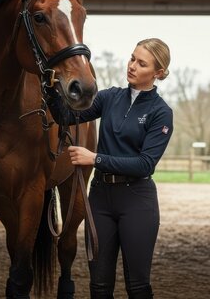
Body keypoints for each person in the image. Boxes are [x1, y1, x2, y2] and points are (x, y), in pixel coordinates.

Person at [46, 38, 173, 299]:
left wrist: (95, 159)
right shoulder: (109, 97)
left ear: (158, 73)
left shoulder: (161, 112)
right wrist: (50, 88)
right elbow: (67, 117)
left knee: (137, 287)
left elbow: (145, 164)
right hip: (101, 198)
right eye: (131, 58)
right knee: (99, 287)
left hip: (137, 200)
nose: (132, 66)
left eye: (141, 63)